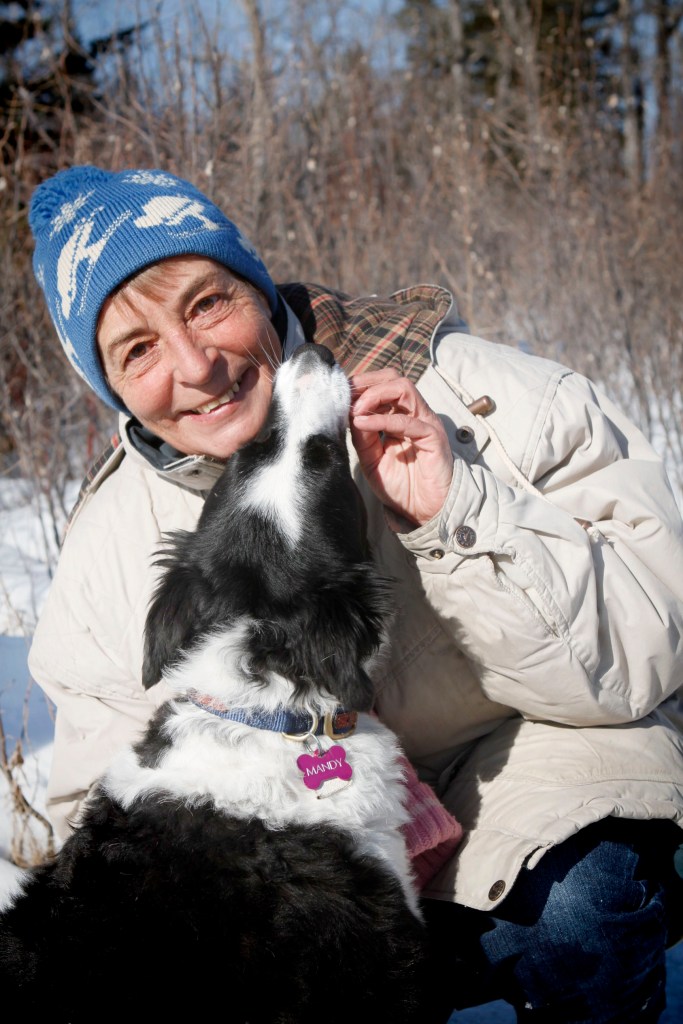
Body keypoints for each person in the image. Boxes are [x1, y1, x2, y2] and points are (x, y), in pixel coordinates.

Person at [27, 164, 683, 1022]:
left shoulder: (482, 396)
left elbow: (643, 652)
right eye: (137, 349)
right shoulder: (105, 551)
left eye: (206, 303)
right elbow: (105, 816)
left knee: (578, 910)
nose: (196, 365)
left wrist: (458, 508)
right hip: (306, 873)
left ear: (257, 290)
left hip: (531, 779)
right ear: (109, 384)